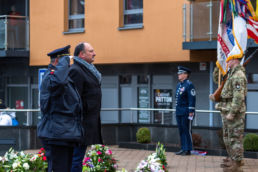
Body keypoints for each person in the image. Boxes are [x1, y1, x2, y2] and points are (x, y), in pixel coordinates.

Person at [37, 45, 84, 172]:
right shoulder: (52, 77)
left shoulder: (61, 77)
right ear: (58, 61)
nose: (69, 65)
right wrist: (63, 62)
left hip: (63, 134)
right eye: (66, 61)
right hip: (56, 136)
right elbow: (59, 82)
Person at [69, 42, 103, 172]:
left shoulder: (87, 69)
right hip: (80, 125)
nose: (94, 53)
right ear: (81, 54)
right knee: (76, 159)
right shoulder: (76, 70)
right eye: (91, 51)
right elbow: (74, 100)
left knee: (78, 157)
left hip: (86, 124)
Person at [215, 58, 247, 172]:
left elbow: (238, 96)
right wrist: (217, 67)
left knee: (235, 138)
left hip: (234, 113)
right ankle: (234, 161)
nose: (226, 62)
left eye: (228, 60)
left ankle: (237, 165)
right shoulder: (231, 73)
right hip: (227, 109)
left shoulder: (238, 75)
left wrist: (232, 113)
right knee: (229, 138)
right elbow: (217, 80)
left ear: (234, 60)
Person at [175, 66, 196, 156]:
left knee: (187, 130)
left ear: (185, 75)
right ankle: (183, 148)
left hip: (186, 111)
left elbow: (192, 98)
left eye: (180, 73)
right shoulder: (179, 85)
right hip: (179, 111)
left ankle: (188, 149)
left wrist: (191, 110)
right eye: (178, 73)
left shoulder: (189, 85)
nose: (178, 75)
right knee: (181, 130)